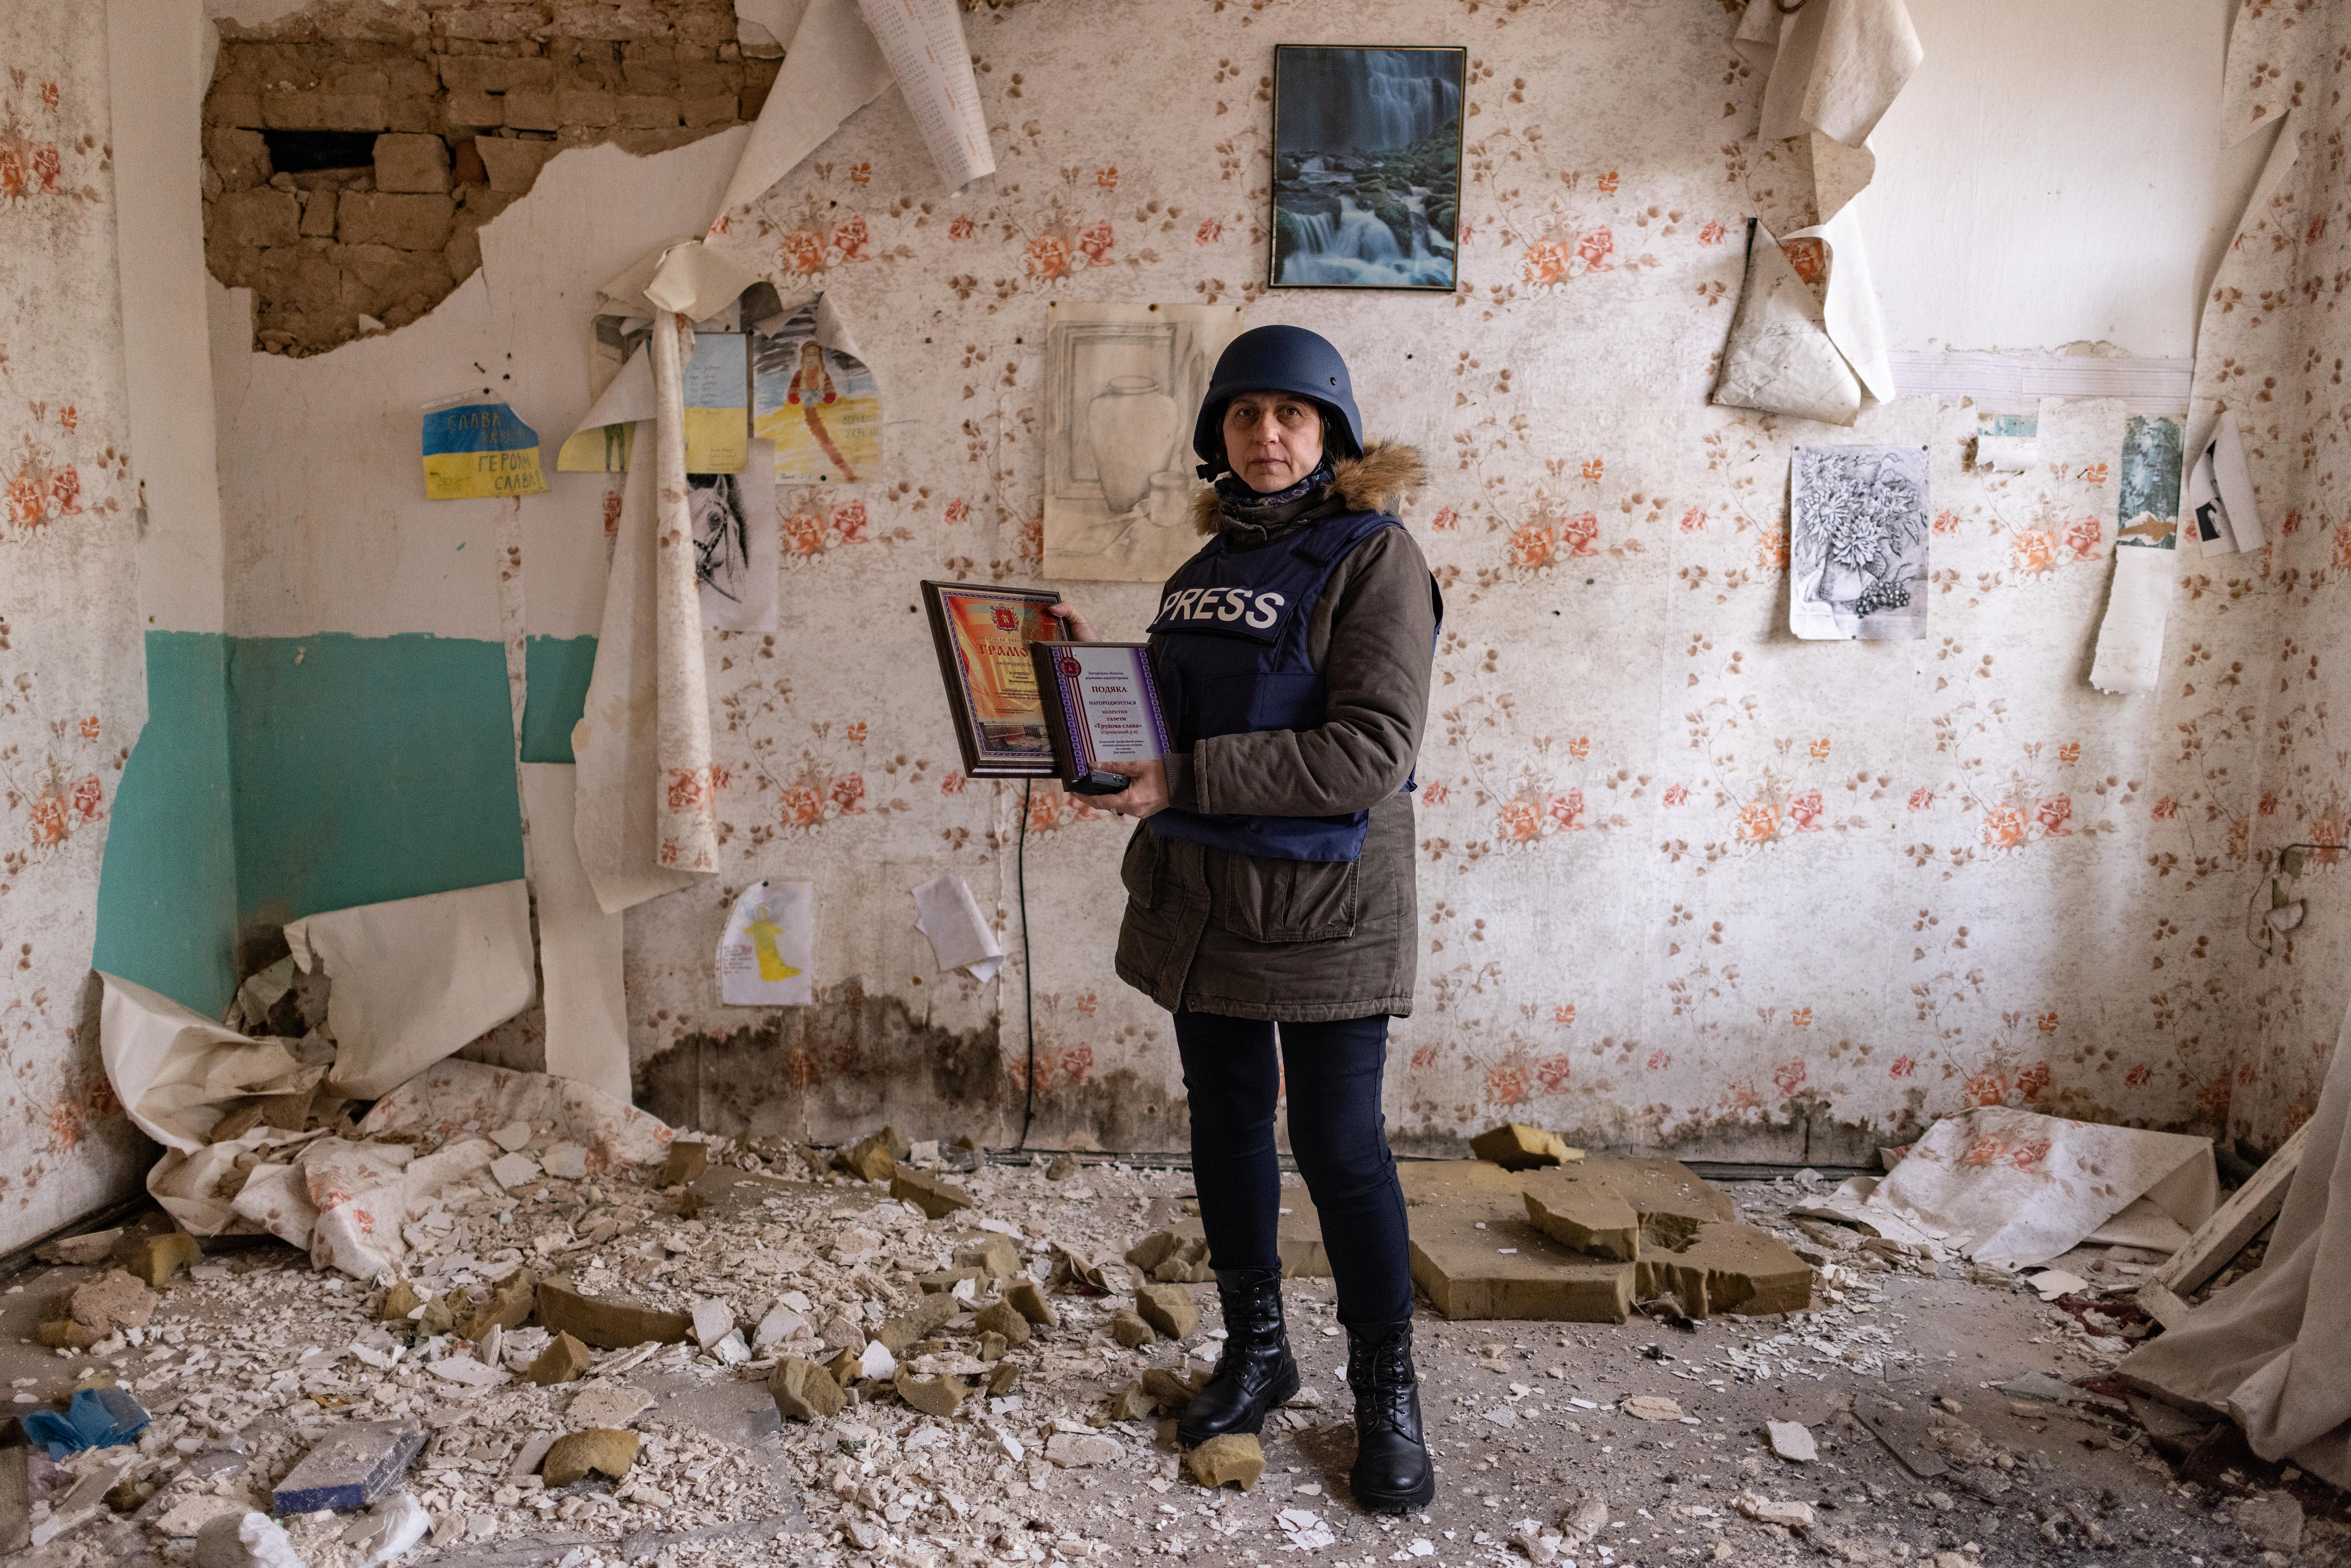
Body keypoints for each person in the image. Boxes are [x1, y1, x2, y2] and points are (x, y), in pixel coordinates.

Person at [1050, 324, 1441, 1512]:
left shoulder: (1376, 559)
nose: (1266, 435)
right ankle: (1258, 1351)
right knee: (1225, 1126)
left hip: (1326, 908)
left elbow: (1370, 752)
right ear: (1217, 435)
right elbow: (1167, 728)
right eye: (1243, 416)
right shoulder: (1201, 569)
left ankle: (1386, 1391)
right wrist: (1083, 691)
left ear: (1331, 433)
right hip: (1205, 904)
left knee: (1338, 1148)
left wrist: (1179, 777)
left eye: (1291, 416)